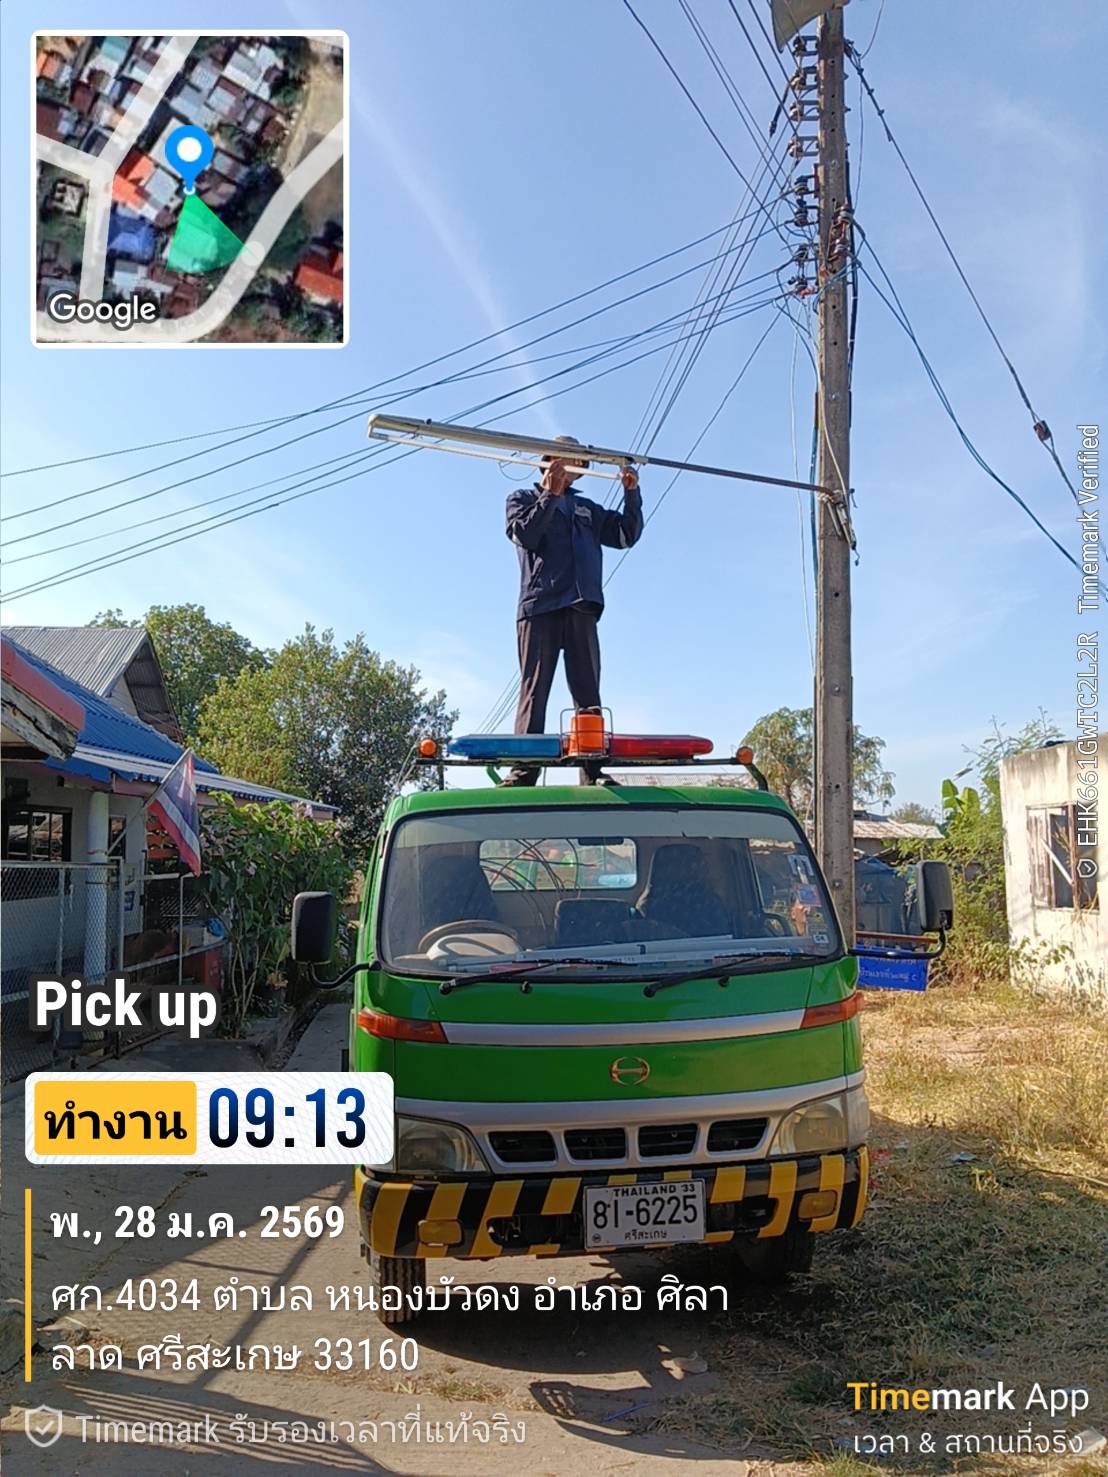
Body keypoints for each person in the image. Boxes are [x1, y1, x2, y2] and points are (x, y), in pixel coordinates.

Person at [503, 434, 643, 785]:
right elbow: (526, 536)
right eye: (565, 459)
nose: (572, 467)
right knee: (535, 690)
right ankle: (524, 771)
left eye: (577, 462)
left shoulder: (588, 509)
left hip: (581, 606)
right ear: (548, 462)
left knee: (587, 691)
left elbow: (626, 535)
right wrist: (549, 495)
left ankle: (592, 771)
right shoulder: (521, 499)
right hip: (540, 606)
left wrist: (631, 494)